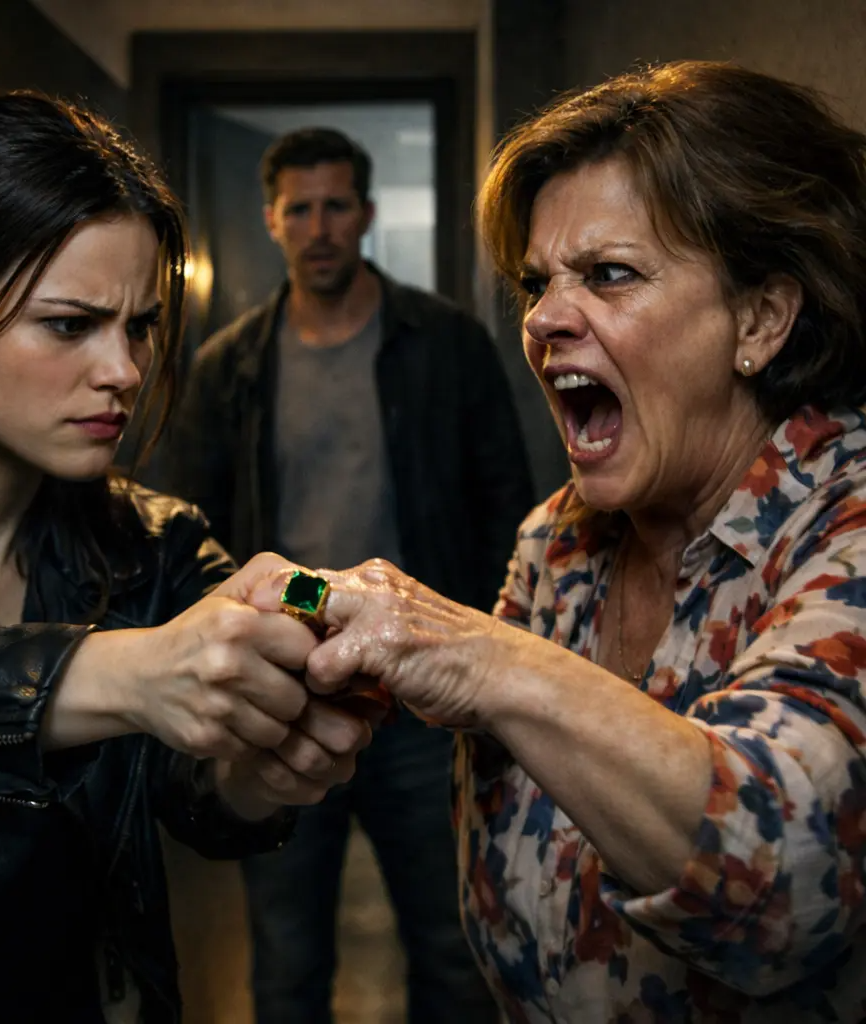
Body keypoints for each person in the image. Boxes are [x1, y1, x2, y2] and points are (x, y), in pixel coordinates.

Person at [240, 61, 866, 1022]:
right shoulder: (561, 541)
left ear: (761, 318)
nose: (541, 319)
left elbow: (780, 876)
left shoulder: (845, 523)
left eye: (609, 274)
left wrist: (478, 656)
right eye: (537, 283)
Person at [0, 93, 370, 1024]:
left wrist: (257, 768)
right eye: (68, 324)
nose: (124, 370)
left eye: (140, 326)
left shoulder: (152, 541)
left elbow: (192, 794)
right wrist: (126, 672)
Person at [177, 127, 530, 1021]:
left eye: (336, 206)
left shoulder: (444, 343)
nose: (320, 227)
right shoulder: (231, 366)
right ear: (272, 220)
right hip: (287, 691)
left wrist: (486, 657)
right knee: (287, 960)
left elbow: (506, 503)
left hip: (420, 691)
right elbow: (194, 534)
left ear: (366, 214)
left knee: (452, 951)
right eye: (300, 209)